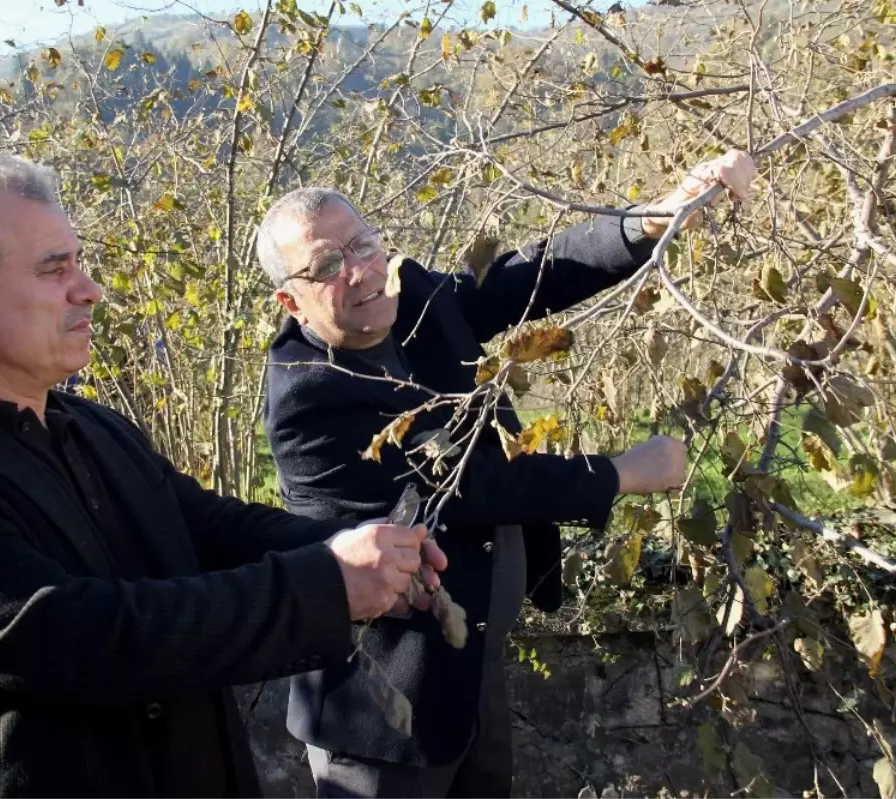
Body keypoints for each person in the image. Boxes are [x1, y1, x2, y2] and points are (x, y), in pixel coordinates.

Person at [0, 153, 446, 799]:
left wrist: (363, 547)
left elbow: (210, 527)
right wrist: (326, 584)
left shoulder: (96, 427)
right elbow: (87, 639)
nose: (89, 288)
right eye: (54, 268)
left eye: (78, 262)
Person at [258, 150, 756, 798]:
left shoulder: (412, 305)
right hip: (382, 710)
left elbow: (518, 280)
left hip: (471, 673)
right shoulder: (308, 395)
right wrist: (618, 473)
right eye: (327, 264)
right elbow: (472, 485)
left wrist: (648, 222)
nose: (359, 270)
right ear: (290, 299)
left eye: (363, 244)